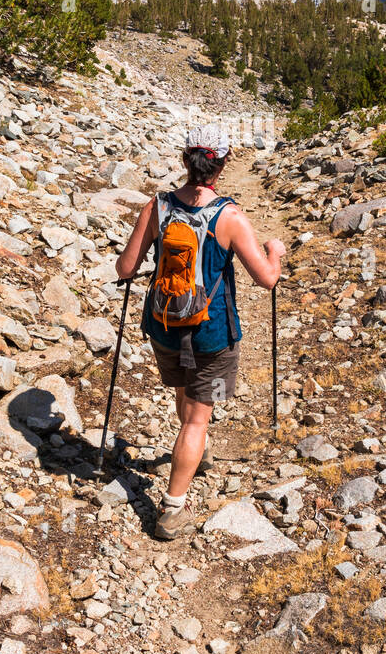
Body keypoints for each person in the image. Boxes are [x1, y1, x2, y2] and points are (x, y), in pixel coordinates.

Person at [115, 124, 285, 539]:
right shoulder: (230, 216)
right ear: (221, 165)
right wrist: (275, 253)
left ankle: (193, 453)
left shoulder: (156, 206)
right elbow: (266, 280)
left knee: (184, 396)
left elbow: (125, 269)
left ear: (184, 160)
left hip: (164, 325)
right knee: (197, 420)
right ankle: (173, 509)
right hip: (211, 332)